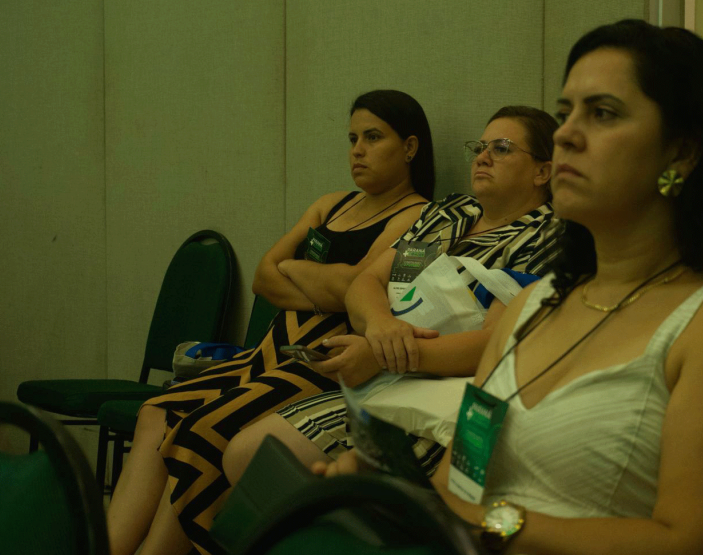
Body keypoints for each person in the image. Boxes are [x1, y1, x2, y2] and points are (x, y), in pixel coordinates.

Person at [311, 20, 703, 555]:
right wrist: (391, 491)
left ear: (682, 152)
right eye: (564, 113)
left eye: (602, 113)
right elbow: (463, 479)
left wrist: (497, 526)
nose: (567, 136)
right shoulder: (533, 306)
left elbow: (691, 544)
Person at [106, 89, 435, 555]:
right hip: (264, 354)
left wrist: (298, 271)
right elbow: (264, 276)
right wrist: (327, 282)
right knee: (156, 411)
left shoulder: (418, 215)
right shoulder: (331, 205)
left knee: (201, 429)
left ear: (409, 147)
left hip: (316, 365)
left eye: (373, 137)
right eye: (352, 138)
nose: (357, 150)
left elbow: (360, 288)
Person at [221, 105, 561, 484]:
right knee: (242, 453)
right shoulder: (451, 213)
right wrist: (382, 325)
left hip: (441, 395)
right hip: (380, 371)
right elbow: (366, 283)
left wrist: (389, 355)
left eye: (501, 148)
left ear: (542, 171)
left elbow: (494, 347)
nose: (482, 157)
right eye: (479, 147)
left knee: (251, 455)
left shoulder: (544, 236)